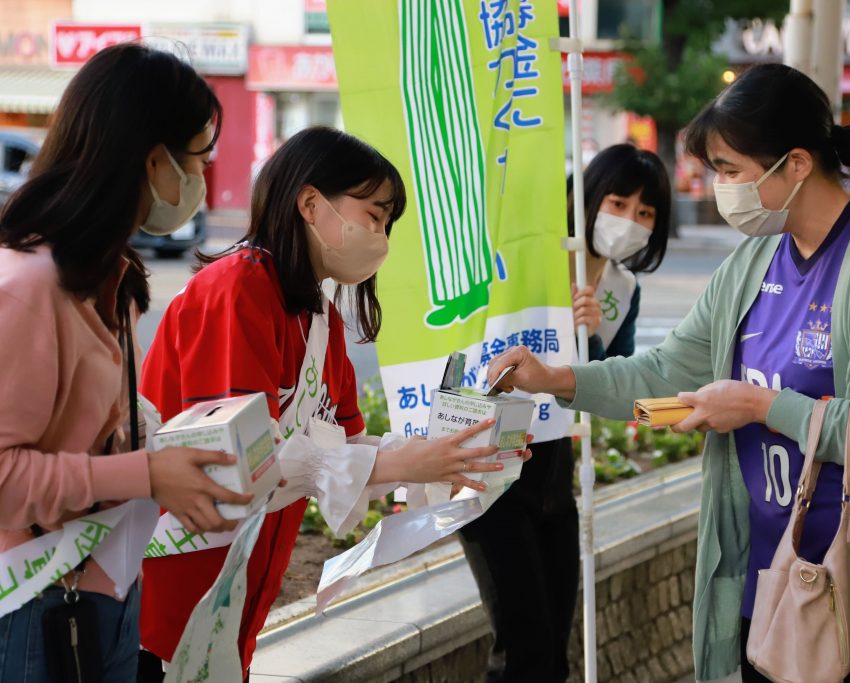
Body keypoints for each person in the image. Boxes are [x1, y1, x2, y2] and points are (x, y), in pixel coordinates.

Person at [487, 63, 850, 683]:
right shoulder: (756, 256)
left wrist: (756, 406)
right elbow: (670, 369)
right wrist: (557, 379)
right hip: (773, 578)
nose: (719, 186)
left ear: (797, 164)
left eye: (729, 170)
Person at [134, 127, 510, 679]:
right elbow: (239, 459)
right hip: (173, 585)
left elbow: (348, 444)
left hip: (237, 586)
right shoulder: (238, 287)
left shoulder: (319, 315)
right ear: (311, 203)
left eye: (387, 224)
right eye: (375, 215)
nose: (381, 236)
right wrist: (406, 463)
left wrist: (452, 456)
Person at [0, 43, 253, 681]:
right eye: (197, 157)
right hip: (29, 607)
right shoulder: (29, 287)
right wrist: (146, 474)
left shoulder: (107, 273)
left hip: (100, 591)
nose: (200, 179)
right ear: (153, 160)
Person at [458, 143, 672, 682]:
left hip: (555, 474)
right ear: (588, 197)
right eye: (619, 203)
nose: (628, 221)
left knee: (552, 646)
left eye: (645, 214)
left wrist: (678, 414)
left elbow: (617, 387)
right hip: (494, 465)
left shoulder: (623, 288)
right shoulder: (534, 256)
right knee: (522, 648)